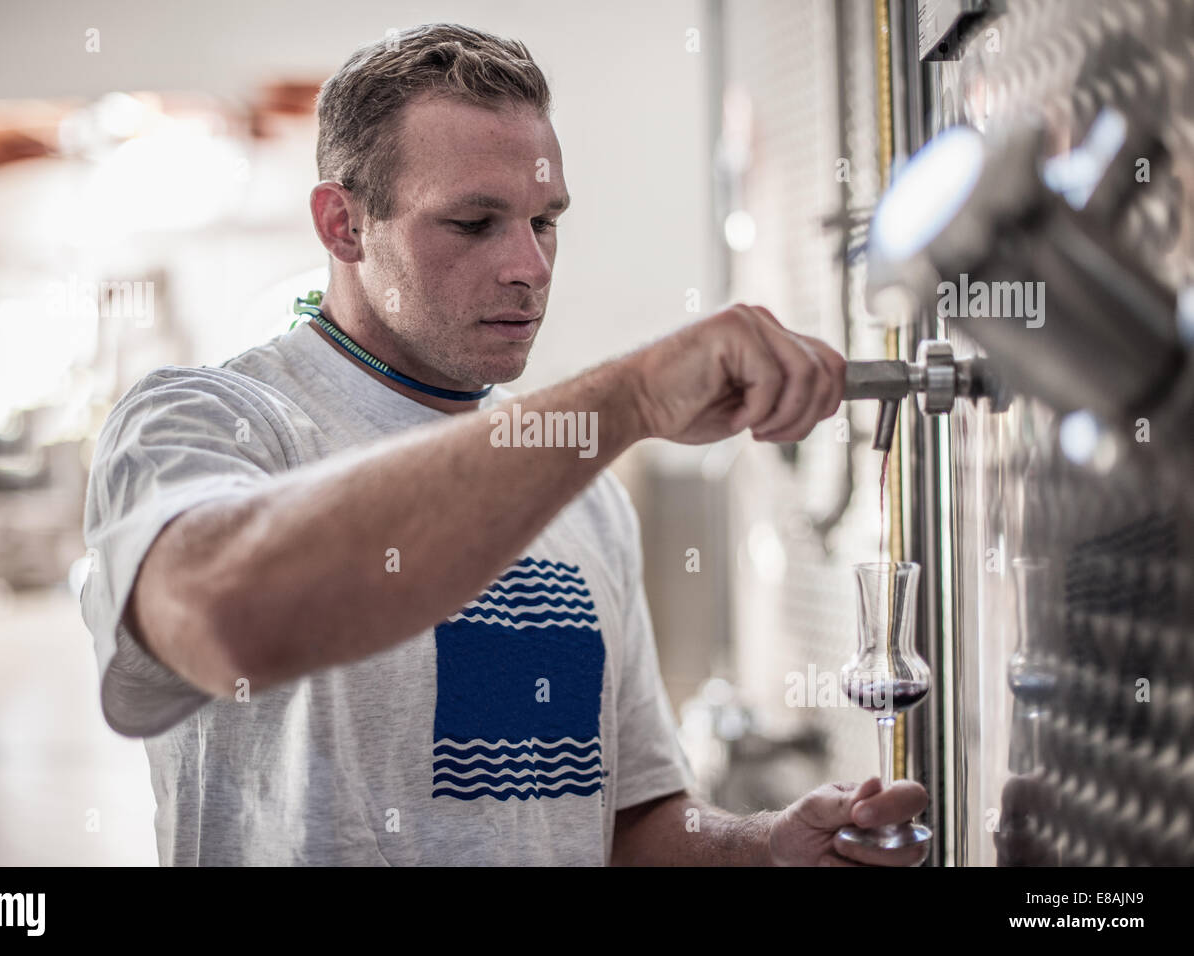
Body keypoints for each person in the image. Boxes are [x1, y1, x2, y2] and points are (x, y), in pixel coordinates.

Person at [79, 22, 928, 866]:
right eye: (475, 222)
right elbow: (225, 620)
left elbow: (629, 822)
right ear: (343, 226)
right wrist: (627, 398)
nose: (530, 265)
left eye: (545, 221)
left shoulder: (581, 484)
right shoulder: (209, 422)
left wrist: (765, 847)